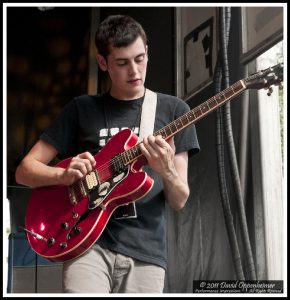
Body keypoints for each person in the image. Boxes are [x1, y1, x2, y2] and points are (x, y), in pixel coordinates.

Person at [15, 14, 200, 293]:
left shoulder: (173, 111)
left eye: (140, 59)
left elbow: (179, 200)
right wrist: (63, 175)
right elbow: (24, 170)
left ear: (147, 52)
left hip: (146, 253)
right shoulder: (81, 109)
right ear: (103, 63)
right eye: (122, 63)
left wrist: (167, 171)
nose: (135, 71)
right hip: (86, 244)